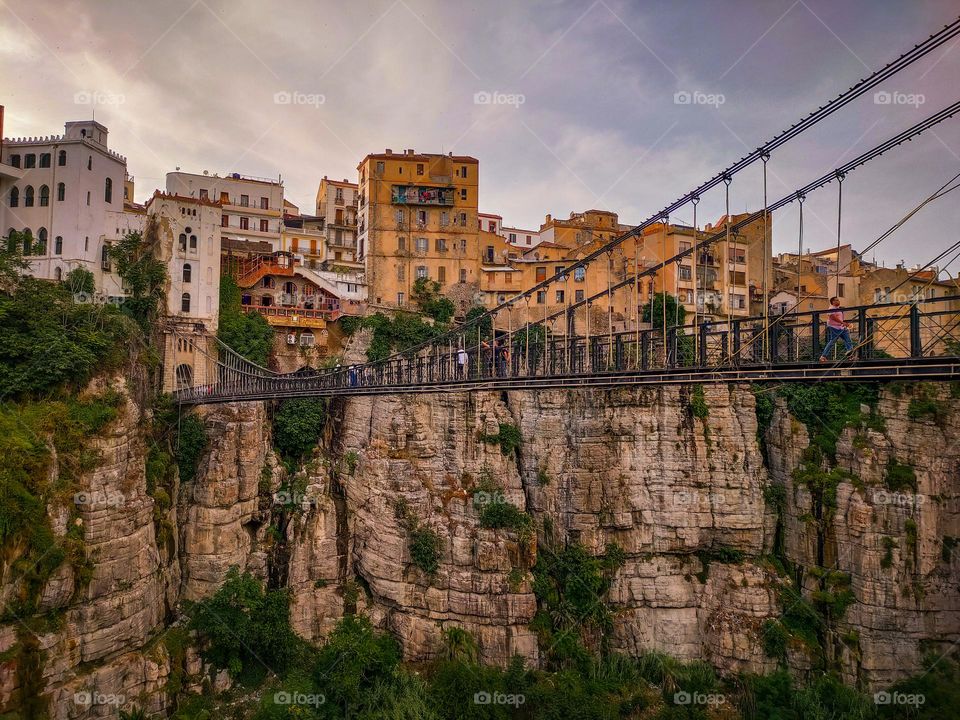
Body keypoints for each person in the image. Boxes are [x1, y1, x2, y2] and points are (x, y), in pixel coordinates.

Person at [820, 296, 854, 361]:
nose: (838, 301)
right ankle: (823, 356)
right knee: (832, 341)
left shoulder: (838, 309)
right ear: (832, 302)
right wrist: (842, 322)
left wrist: (843, 323)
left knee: (848, 340)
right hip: (834, 327)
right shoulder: (831, 308)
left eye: (838, 300)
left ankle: (850, 356)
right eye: (836, 300)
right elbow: (833, 317)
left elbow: (838, 318)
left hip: (841, 327)